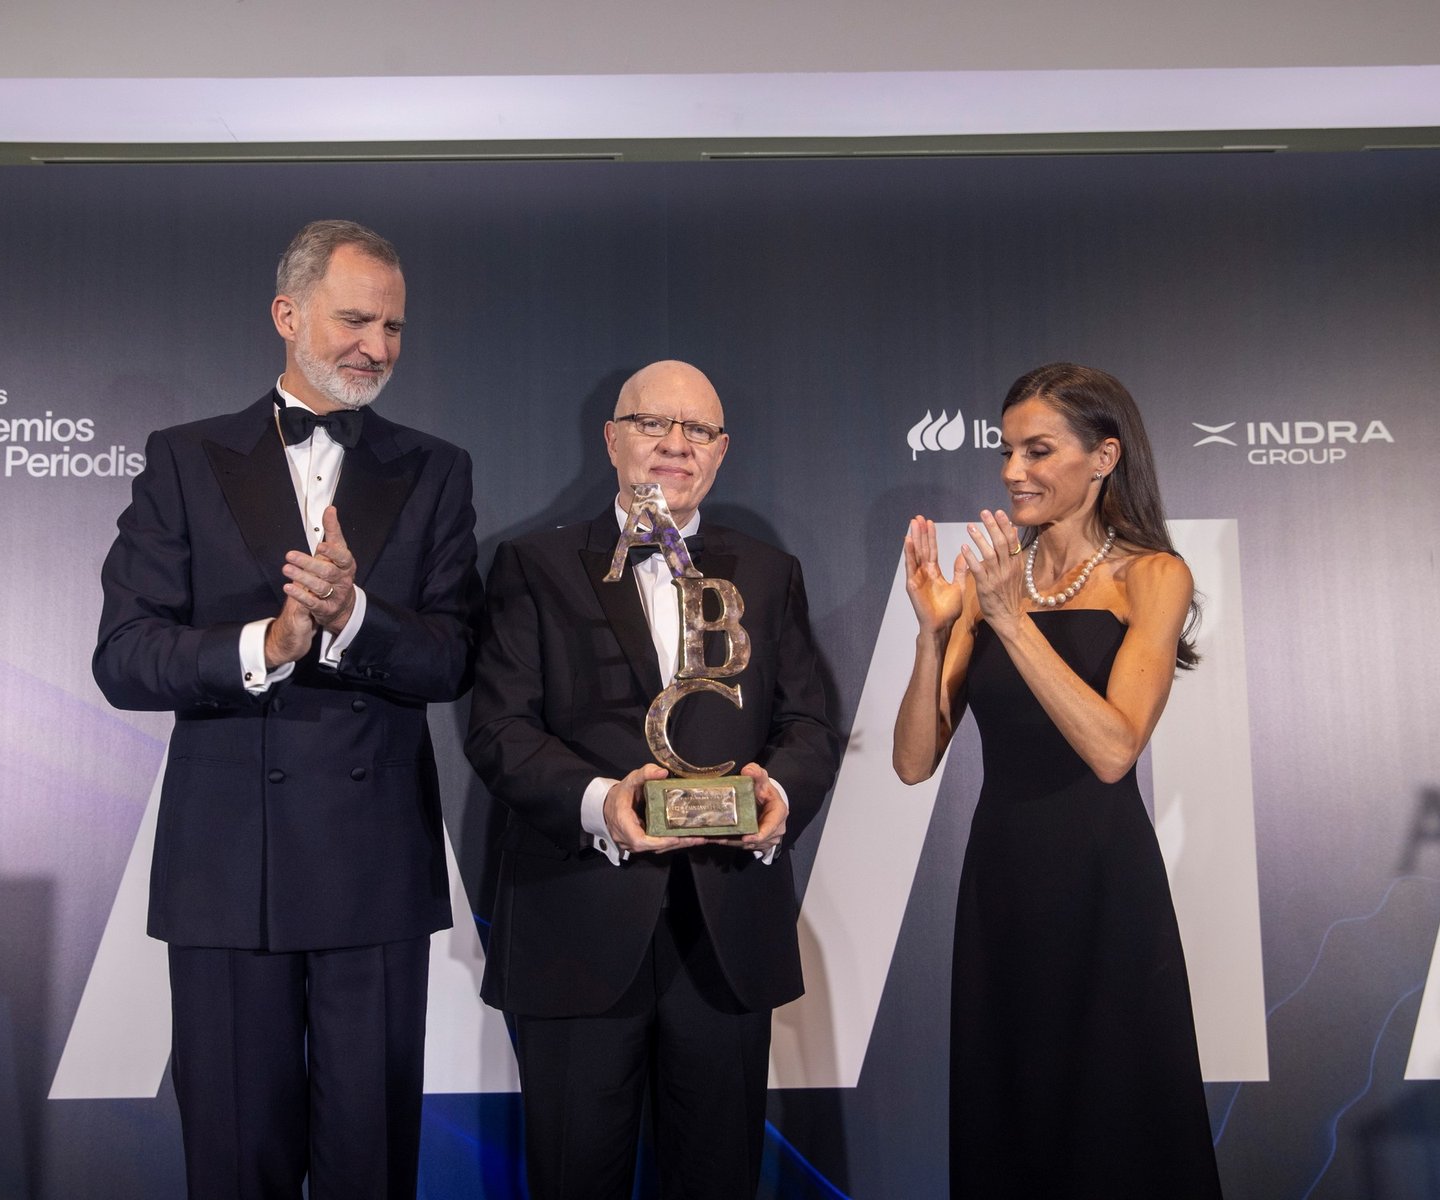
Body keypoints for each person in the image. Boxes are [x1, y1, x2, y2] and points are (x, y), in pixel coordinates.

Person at [92, 219, 479, 1199]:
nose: (377, 348)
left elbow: (451, 658)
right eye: (355, 320)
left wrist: (352, 615)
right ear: (287, 314)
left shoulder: (434, 469)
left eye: (393, 327)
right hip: (229, 870)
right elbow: (124, 658)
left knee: (371, 1164)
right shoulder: (184, 460)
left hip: (373, 867)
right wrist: (262, 647)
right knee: (233, 1161)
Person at [465, 359, 839, 1200]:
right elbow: (499, 730)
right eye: (651, 424)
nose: (676, 444)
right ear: (611, 439)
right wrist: (606, 805)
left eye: (698, 429)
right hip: (577, 927)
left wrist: (778, 796)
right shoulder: (534, 565)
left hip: (727, 929)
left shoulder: (769, 574)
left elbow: (810, 725)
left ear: (722, 450)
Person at [892, 362, 1221, 1198]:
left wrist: (1010, 618)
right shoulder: (986, 583)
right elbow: (913, 761)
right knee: (1014, 1119)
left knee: (1118, 1125)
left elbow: (1114, 750)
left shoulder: (1152, 576)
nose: (1013, 472)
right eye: (1008, 452)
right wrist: (934, 634)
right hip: (1002, 883)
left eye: (1038, 451)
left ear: (1104, 457)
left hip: (1107, 888)